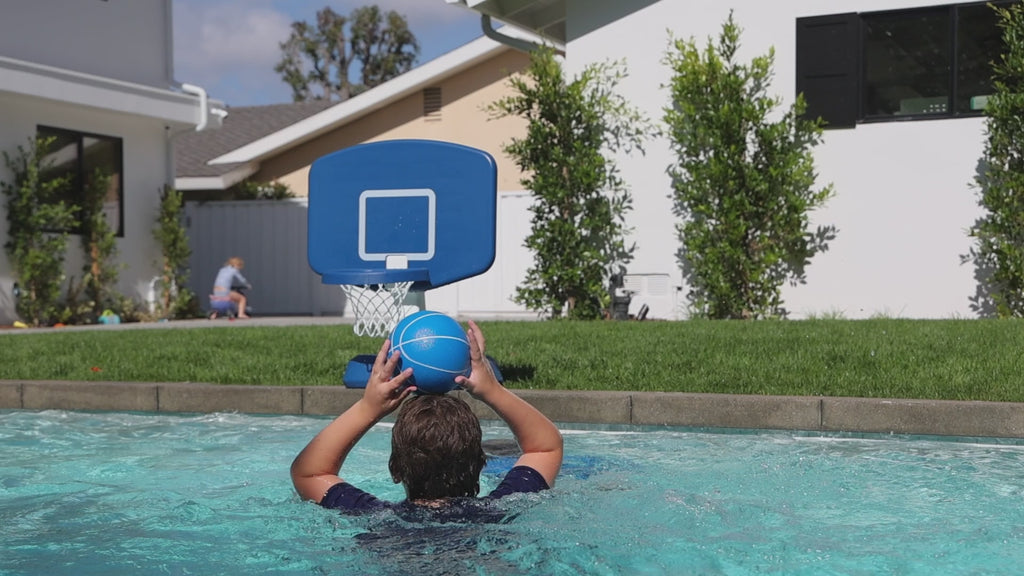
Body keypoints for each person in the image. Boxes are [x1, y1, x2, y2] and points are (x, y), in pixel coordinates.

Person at [290, 320, 562, 517]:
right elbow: (545, 446)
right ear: (481, 464)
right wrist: (493, 390)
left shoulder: (378, 519)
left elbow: (310, 471)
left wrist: (368, 407)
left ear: (394, 469)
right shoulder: (500, 512)